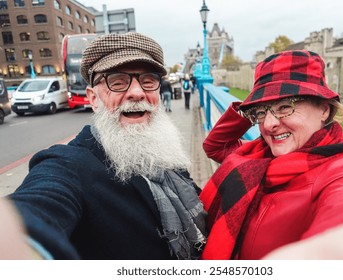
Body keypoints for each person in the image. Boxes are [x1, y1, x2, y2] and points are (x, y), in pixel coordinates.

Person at [2, 32, 207, 260]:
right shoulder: (67, 165)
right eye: (117, 82)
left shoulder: (164, 150)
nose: (137, 92)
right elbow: (40, 205)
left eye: (148, 81)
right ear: (92, 98)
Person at [199, 50, 343, 260]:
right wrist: (247, 110)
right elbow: (215, 146)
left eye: (284, 107)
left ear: (324, 110)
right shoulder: (257, 154)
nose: (269, 124)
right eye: (261, 113)